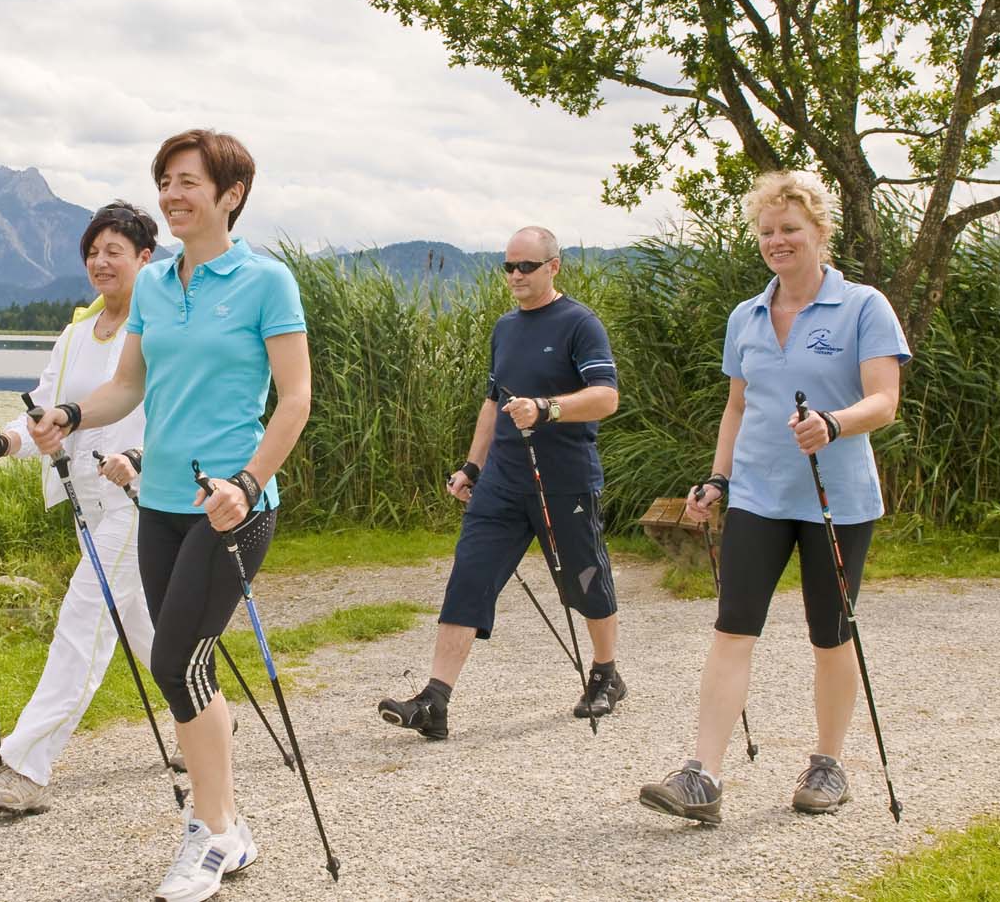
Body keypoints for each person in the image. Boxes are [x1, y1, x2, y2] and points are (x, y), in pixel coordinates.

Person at [29, 129, 310, 902]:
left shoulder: (266, 282)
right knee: (194, 665)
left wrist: (249, 485)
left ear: (231, 194)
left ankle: (211, 833)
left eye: (188, 181)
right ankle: (226, 827)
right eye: (165, 181)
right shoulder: (153, 285)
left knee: (174, 659)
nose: (172, 195)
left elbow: (295, 400)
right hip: (159, 504)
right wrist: (72, 412)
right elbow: (128, 388)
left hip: (233, 507)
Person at [638, 171, 910, 825]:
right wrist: (718, 479)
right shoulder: (747, 315)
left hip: (835, 500)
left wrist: (834, 423)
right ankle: (701, 776)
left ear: (820, 233)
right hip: (759, 495)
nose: (778, 241)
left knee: (829, 636)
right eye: (767, 231)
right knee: (732, 630)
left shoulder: (863, 306)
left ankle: (827, 766)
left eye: (790, 229)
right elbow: (738, 406)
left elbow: (885, 400)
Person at [377, 225, 625, 739]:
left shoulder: (581, 323)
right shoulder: (505, 327)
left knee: (583, 580)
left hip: (565, 479)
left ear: (553, 267)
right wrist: (472, 466)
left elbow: (606, 397)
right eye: (508, 266)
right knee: (468, 576)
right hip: (503, 482)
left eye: (525, 267)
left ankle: (605, 673)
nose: (515, 275)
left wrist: (548, 408)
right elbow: (493, 402)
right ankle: (434, 700)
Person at [0, 200, 157, 816]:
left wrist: (140, 454)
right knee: (139, 625)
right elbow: (43, 406)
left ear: (144, 259)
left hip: (136, 497)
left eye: (115, 252)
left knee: (83, 617)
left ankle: (26, 767)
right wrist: (5, 440)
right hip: (85, 499)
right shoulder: (77, 334)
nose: (101, 262)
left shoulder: (158, 329)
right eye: (93, 252)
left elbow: (177, 410)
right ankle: (202, 715)